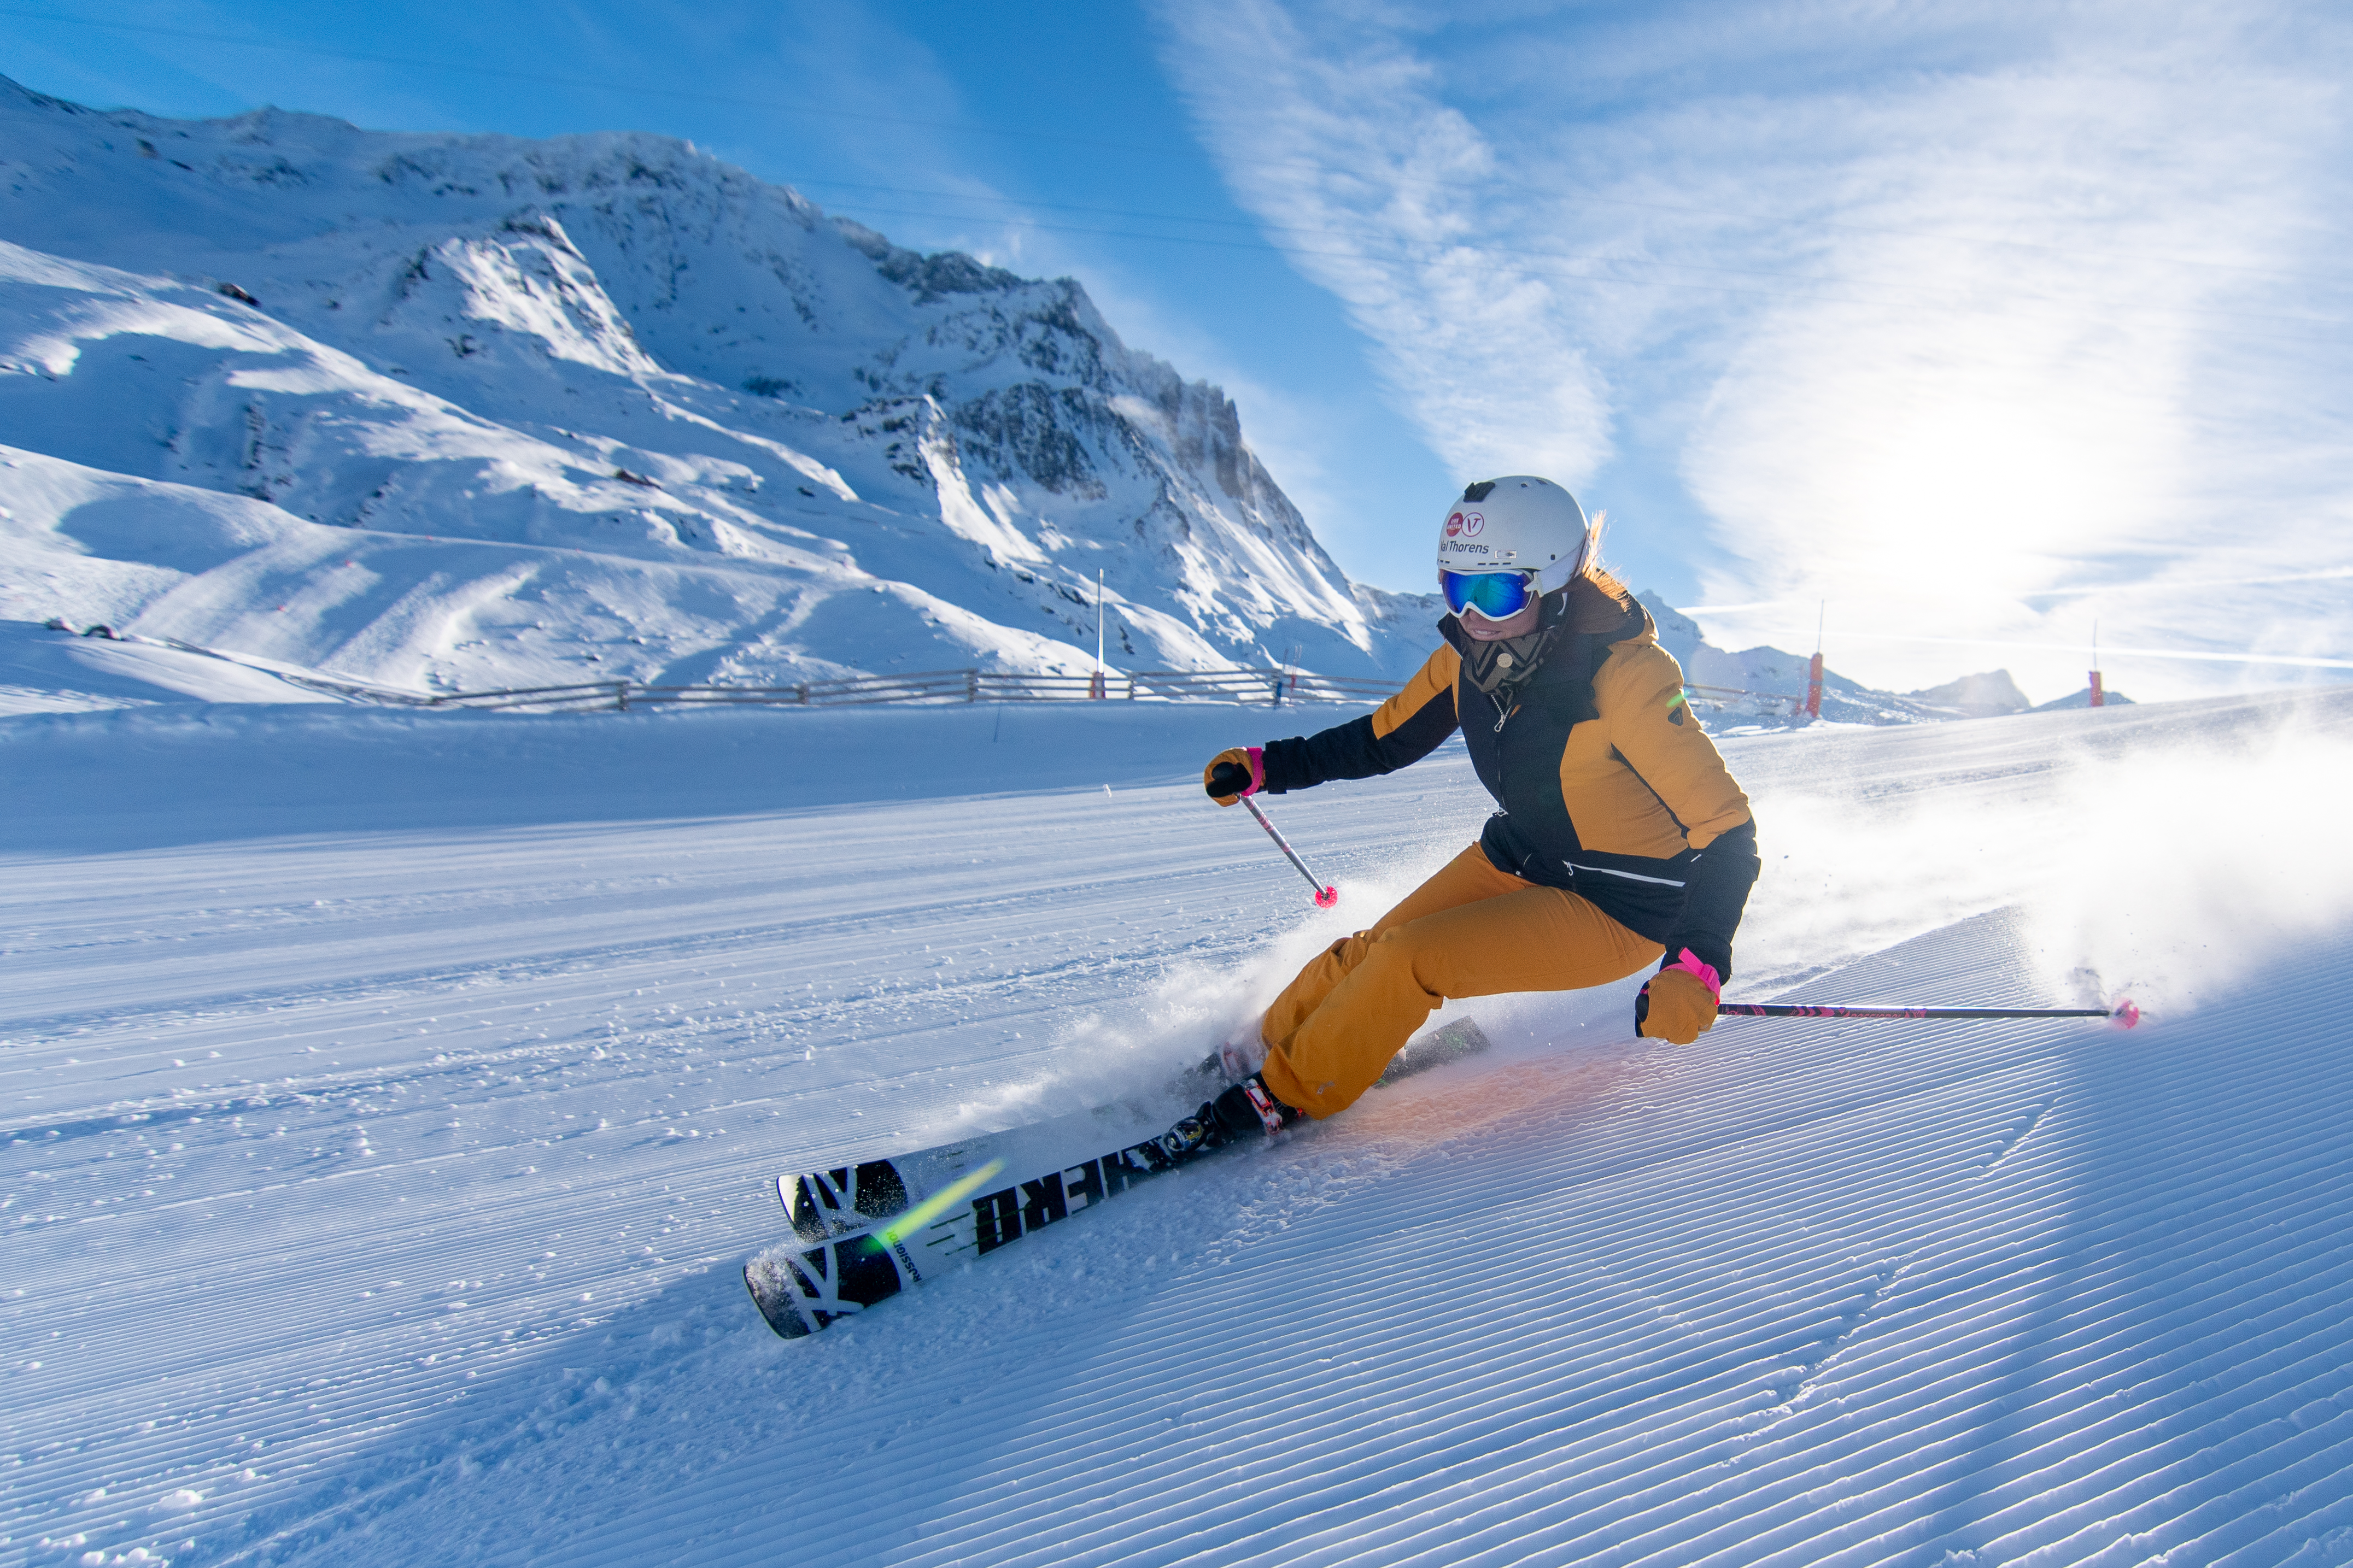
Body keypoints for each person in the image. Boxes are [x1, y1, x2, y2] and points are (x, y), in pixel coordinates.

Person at [1160, 475, 1760, 1158]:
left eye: (1496, 592)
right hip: (1516, 857)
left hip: (1619, 903)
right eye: (1456, 589)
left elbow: (1727, 831)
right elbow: (1380, 740)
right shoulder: (1468, 660)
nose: (1472, 616)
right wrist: (1269, 765)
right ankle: (1260, 1048)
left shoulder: (1627, 678)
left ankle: (1287, 1089)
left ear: (1554, 584)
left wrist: (1697, 963)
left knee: (1408, 960)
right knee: (1369, 948)